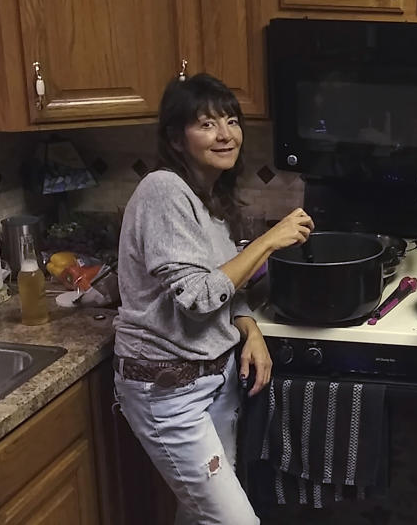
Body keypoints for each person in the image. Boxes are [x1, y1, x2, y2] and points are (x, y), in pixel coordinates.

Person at [112, 73, 314, 524]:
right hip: (167, 392)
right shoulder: (162, 191)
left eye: (231, 120)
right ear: (176, 138)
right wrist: (269, 241)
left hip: (213, 381)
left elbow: (223, 287)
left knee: (199, 513)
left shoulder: (207, 197)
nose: (225, 134)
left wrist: (248, 325)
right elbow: (198, 297)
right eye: (206, 124)